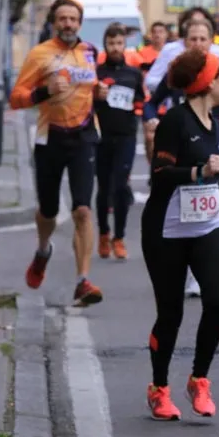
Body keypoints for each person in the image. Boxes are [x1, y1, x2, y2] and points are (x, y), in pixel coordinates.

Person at [142, 48, 219, 421]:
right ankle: (159, 387)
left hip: (209, 224)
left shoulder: (214, 122)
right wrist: (199, 173)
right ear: (207, 82)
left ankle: (199, 379)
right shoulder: (175, 121)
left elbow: (215, 175)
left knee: (217, 301)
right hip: (167, 229)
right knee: (170, 314)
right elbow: (161, 173)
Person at [10, 0, 106, 306]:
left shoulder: (90, 52)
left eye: (73, 19)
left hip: (84, 137)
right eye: (63, 18)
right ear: (54, 22)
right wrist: (44, 91)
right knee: (48, 210)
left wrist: (100, 92)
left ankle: (82, 281)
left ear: (80, 23)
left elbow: (92, 86)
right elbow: (16, 98)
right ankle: (43, 250)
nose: (68, 24)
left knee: (83, 210)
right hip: (50, 138)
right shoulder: (40, 54)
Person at [94, 22, 146, 260]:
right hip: (102, 137)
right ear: (105, 45)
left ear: (125, 45)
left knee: (121, 186)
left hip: (126, 136)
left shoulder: (133, 73)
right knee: (104, 187)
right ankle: (104, 233)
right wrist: (97, 95)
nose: (115, 47)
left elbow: (140, 100)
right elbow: (87, 103)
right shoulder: (97, 73)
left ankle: (119, 237)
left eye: (119, 43)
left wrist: (140, 112)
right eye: (111, 43)